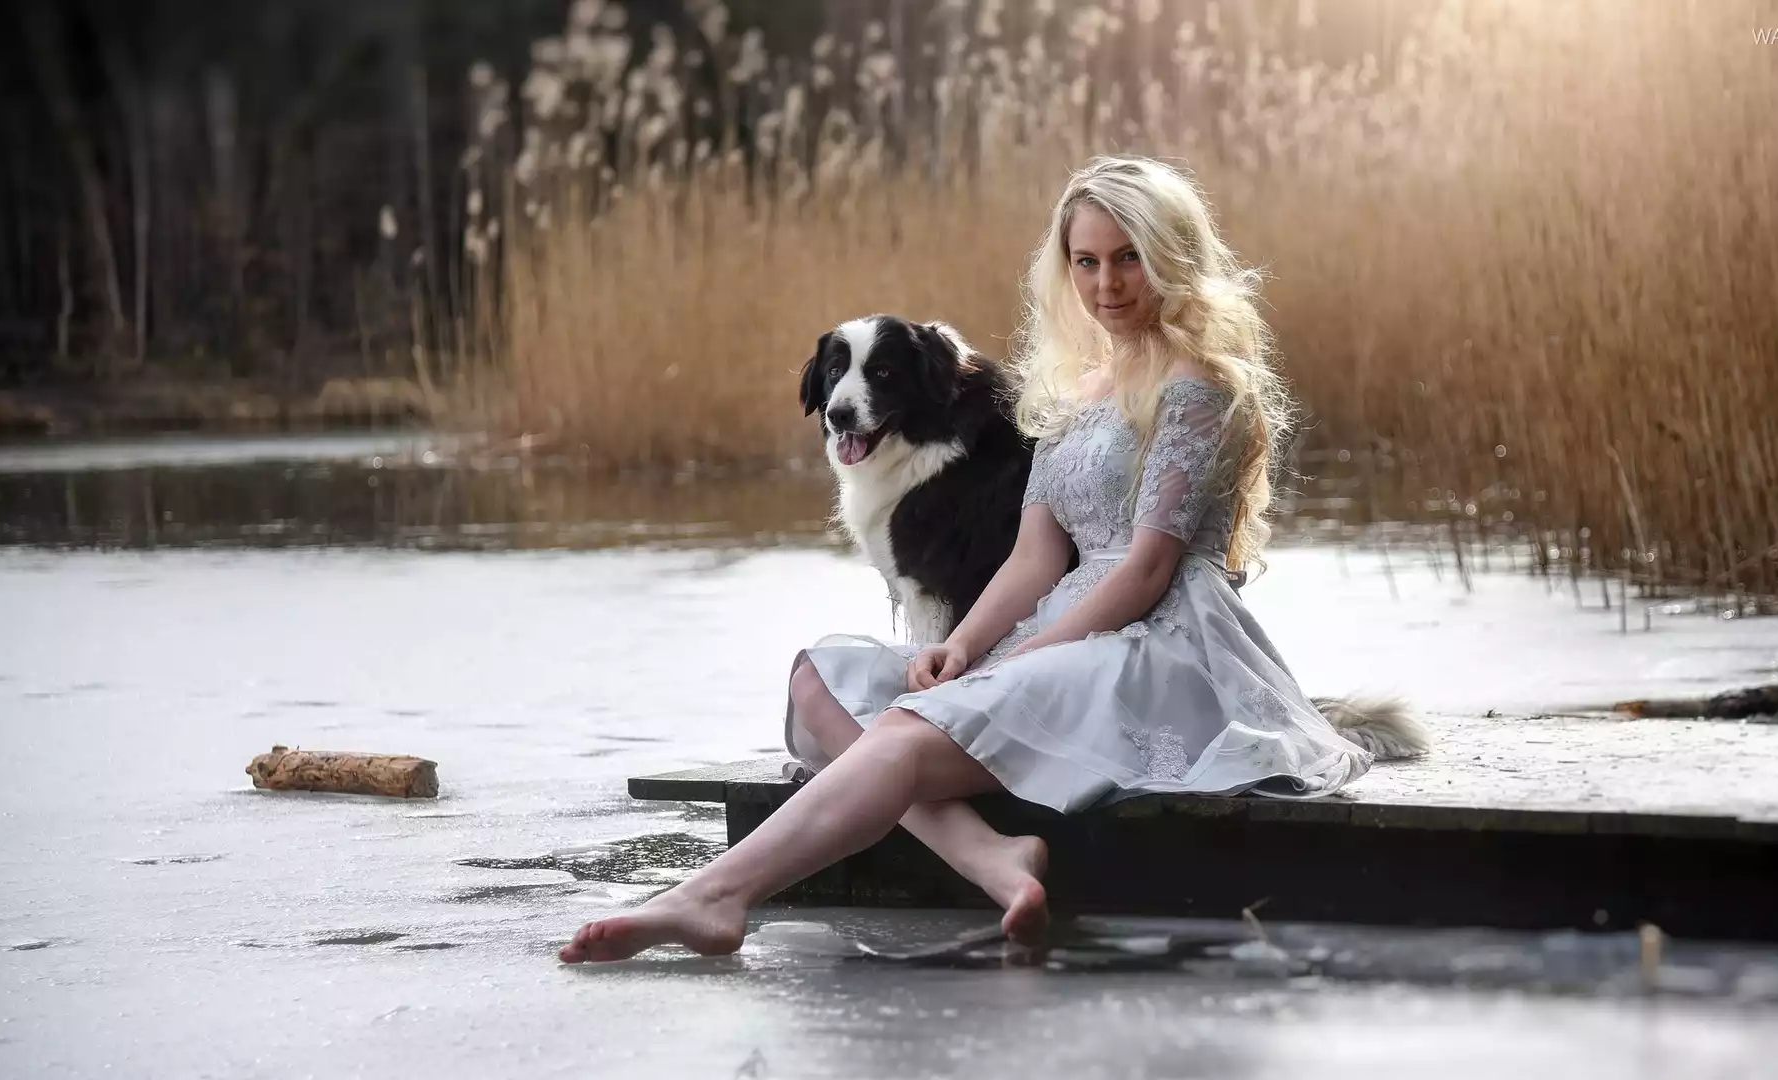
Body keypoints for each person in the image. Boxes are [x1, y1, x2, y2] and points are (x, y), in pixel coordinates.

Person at [558, 155, 1427, 965]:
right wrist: (967, 649)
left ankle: (715, 896)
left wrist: (1025, 662)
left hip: (1155, 645)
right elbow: (1038, 551)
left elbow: (1146, 573)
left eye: (1128, 259)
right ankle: (993, 858)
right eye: (1086, 262)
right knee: (819, 681)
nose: (1107, 284)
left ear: (1171, 258)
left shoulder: (1198, 387)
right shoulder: (1082, 387)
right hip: (1065, 624)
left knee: (903, 733)